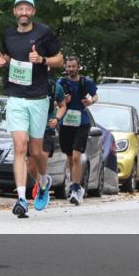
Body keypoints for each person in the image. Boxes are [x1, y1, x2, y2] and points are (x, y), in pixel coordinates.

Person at [0, 0, 63, 218]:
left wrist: (42, 60)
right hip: (15, 96)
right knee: (20, 146)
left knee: (36, 151)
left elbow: (59, 60)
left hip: (39, 97)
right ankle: (21, 198)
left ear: (32, 11)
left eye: (27, 8)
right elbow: (6, 56)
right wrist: (2, 62)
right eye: (19, 8)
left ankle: (43, 182)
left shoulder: (44, 32)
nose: (23, 12)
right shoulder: (7, 34)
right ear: (15, 12)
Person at [55, 56, 98, 205]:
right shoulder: (61, 83)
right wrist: (61, 102)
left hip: (82, 123)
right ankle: (75, 186)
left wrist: (90, 101)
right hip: (66, 123)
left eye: (74, 66)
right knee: (69, 158)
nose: (71, 69)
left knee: (76, 156)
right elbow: (54, 100)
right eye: (69, 67)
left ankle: (75, 188)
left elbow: (95, 96)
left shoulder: (86, 82)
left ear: (79, 67)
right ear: (65, 68)